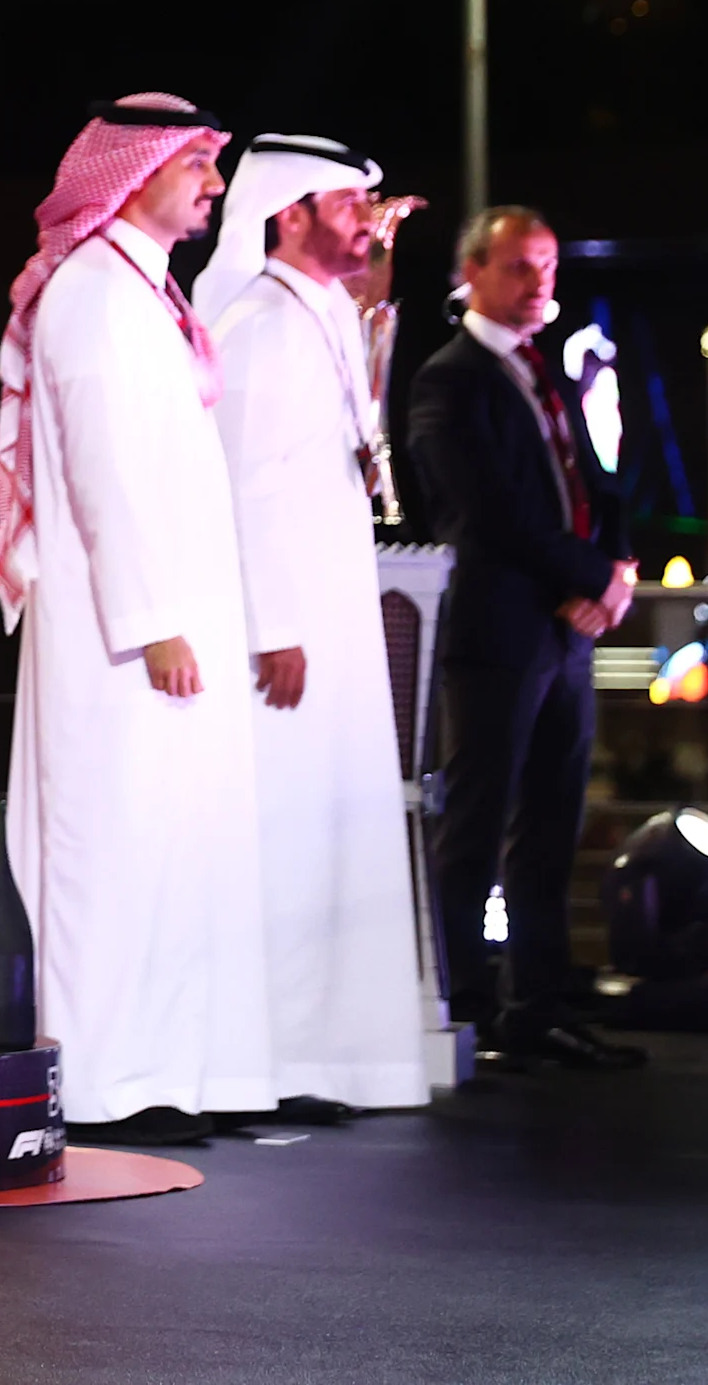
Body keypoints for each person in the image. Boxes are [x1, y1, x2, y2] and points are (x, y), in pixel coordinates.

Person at [0, 98, 275, 1143]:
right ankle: (103, 1077)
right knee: (105, 851)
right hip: (119, 630)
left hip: (170, 615)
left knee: (169, 846)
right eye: (196, 162)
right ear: (133, 168)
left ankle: (168, 1070)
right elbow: (104, 470)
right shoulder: (91, 294)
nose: (210, 182)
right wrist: (150, 616)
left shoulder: (145, 292)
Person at [198, 135, 434, 1113]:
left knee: (335, 838)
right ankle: (282, 1059)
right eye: (344, 203)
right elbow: (247, 485)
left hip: (327, 620)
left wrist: (370, 244)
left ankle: (328, 1056)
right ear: (287, 212)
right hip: (282, 633)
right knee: (289, 841)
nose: (362, 221)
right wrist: (273, 624)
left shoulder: (319, 314)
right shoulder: (258, 322)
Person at [407, 206, 644, 1070]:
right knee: (476, 822)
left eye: (547, 266)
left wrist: (614, 568)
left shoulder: (554, 370)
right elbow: (489, 511)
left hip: (568, 631)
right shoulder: (450, 378)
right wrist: (589, 580)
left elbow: (603, 477)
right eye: (519, 267)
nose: (539, 282)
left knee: (552, 824)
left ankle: (539, 1004)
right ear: (470, 272)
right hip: (500, 627)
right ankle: (466, 1006)